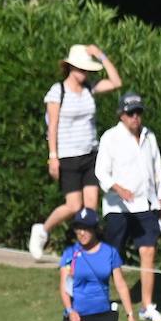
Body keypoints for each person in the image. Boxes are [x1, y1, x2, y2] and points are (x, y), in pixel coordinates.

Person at [28, 44, 122, 260]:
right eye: (80, 69)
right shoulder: (57, 91)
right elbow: (52, 126)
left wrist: (100, 55)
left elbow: (116, 82)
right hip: (67, 156)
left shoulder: (90, 89)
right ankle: (42, 230)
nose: (84, 73)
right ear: (70, 68)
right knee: (73, 206)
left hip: (90, 154)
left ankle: (87, 253)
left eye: (86, 69)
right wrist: (53, 156)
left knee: (90, 207)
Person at [95, 92, 161, 321]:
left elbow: (157, 168)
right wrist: (118, 188)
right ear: (121, 115)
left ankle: (147, 306)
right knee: (111, 254)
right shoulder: (110, 137)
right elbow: (101, 172)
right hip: (118, 206)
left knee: (148, 252)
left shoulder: (149, 136)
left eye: (138, 112)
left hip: (145, 204)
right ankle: (100, 301)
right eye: (130, 113)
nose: (135, 117)